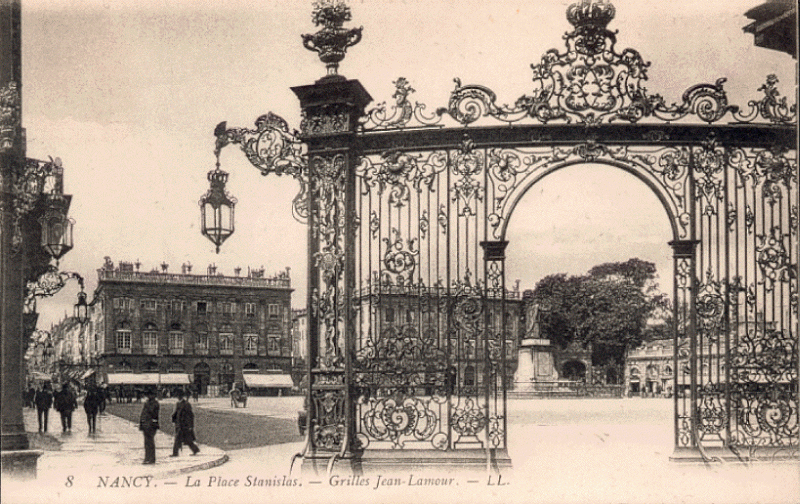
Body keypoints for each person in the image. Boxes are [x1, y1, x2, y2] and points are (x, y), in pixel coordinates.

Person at [170, 390, 200, 457]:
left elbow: (191, 415)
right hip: (179, 425)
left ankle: (175, 453)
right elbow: (176, 413)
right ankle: (195, 449)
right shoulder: (178, 404)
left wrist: (190, 426)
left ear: (181, 396)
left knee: (184, 439)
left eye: (179, 395)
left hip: (185, 425)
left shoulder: (186, 404)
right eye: (177, 395)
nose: (178, 397)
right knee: (184, 439)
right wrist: (174, 419)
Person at [138, 388, 160, 464]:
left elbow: (152, 413)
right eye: (148, 395)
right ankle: (147, 457)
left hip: (151, 425)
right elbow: (143, 414)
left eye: (151, 395)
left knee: (150, 442)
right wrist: (141, 424)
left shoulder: (155, 403)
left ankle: (152, 458)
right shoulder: (148, 403)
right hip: (145, 425)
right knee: (146, 442)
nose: (149, 396)